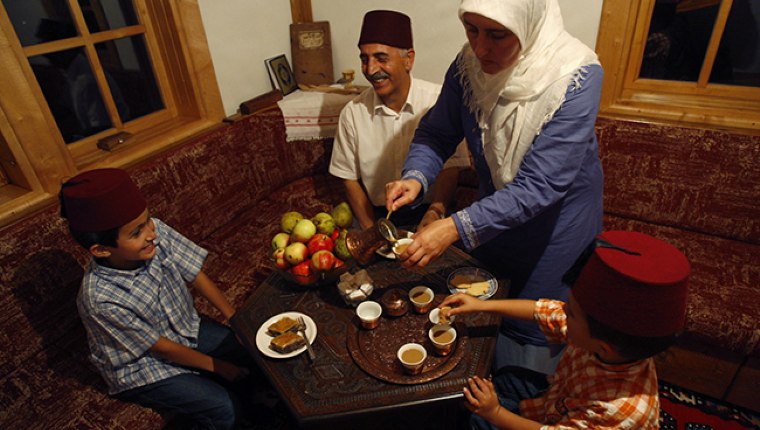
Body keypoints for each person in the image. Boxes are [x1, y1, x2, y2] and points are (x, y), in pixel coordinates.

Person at [385, 0, 604, 375]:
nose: (480, 47)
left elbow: (541, 185)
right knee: (478, 314)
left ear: (530, 24)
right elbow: (438, 132)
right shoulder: (467, 65)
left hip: (555, 233)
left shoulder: (576, 75)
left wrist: (453, 226)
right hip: (493, 217)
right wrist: (415, 177)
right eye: (471, 29)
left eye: (497, 35)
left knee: (529, 343)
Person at [59, 168, 256, 429]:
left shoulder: (155, 232)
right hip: (141, 366)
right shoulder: (100, 300)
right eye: (136, 233)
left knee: (248, 349)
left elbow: (194, 273)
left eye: (148, 220)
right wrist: (219, 367)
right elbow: (160, 347)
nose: (151, 233)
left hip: (183, 329)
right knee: (224, 407)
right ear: (102, 249)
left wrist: (236, 320)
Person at [440, 230, 690, 429]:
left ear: (603, 346)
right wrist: (483, 305)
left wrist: (495, 412)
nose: (562, 311)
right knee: (506, 377)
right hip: (557, 396)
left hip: (565, 420)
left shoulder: (618, 412)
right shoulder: (607, 338)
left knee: (479, 420)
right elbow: (543, 311)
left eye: (570, 312)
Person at [329, 9, 471, 230]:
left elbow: (450, 167)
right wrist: (371, 231)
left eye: (381, 58)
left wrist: (435, 213)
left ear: (408, 60)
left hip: (432, 212)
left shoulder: (438, 101)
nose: (371, 69)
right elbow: (348, 178)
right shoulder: (353, 113)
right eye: (364, 59)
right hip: (378, 218)